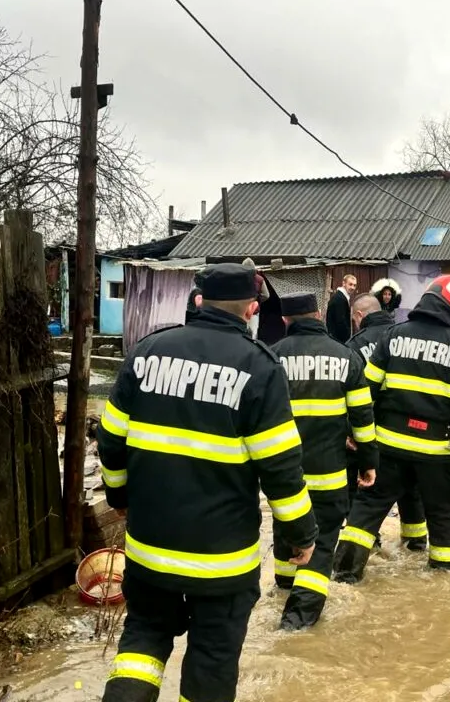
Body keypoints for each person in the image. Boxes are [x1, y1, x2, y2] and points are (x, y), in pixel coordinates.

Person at [97, 262, 318, 702]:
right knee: (212, 662)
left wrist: (119, 496)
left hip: (150, 550)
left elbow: (110, 440)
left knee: (142, 645)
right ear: (252, 309)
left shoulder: (146, 353)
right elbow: (281, 469)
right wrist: (300, 535)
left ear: (198, 301)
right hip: (223, 563)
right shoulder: (260, 368)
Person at [333, 274, 450, 583]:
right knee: (445, 513)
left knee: (366, 511)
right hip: (436, 452)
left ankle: (345, 575)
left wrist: (351, 430)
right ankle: (443, 585)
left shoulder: (392, 336)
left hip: (388, 448)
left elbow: (364, 390)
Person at [268, 292, 377, 630]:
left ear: (286, 320)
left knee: (286, 529)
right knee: (324, 541)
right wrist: (368, 462)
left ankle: (283, 591)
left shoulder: (270, 358)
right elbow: (363, 419)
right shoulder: (346, 357)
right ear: (319, 314)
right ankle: (298, 623)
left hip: (283, 477)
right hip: (330, 475)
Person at [344, 293, 428, 552]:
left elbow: (353, 396)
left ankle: (369, 544)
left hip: (372, 433)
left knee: (365, 494)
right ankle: (415, 544)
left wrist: (350, 432)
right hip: (410, 431)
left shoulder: (354, 346)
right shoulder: (403, 338)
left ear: (359, 316)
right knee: (411, 489)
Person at [325, 274, 356, 342]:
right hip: (338, 340)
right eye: (350, 284)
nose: (353, 287)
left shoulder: (341, 297)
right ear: (344, 283)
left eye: (354, 285)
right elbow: (340, 322)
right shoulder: (339, 299)